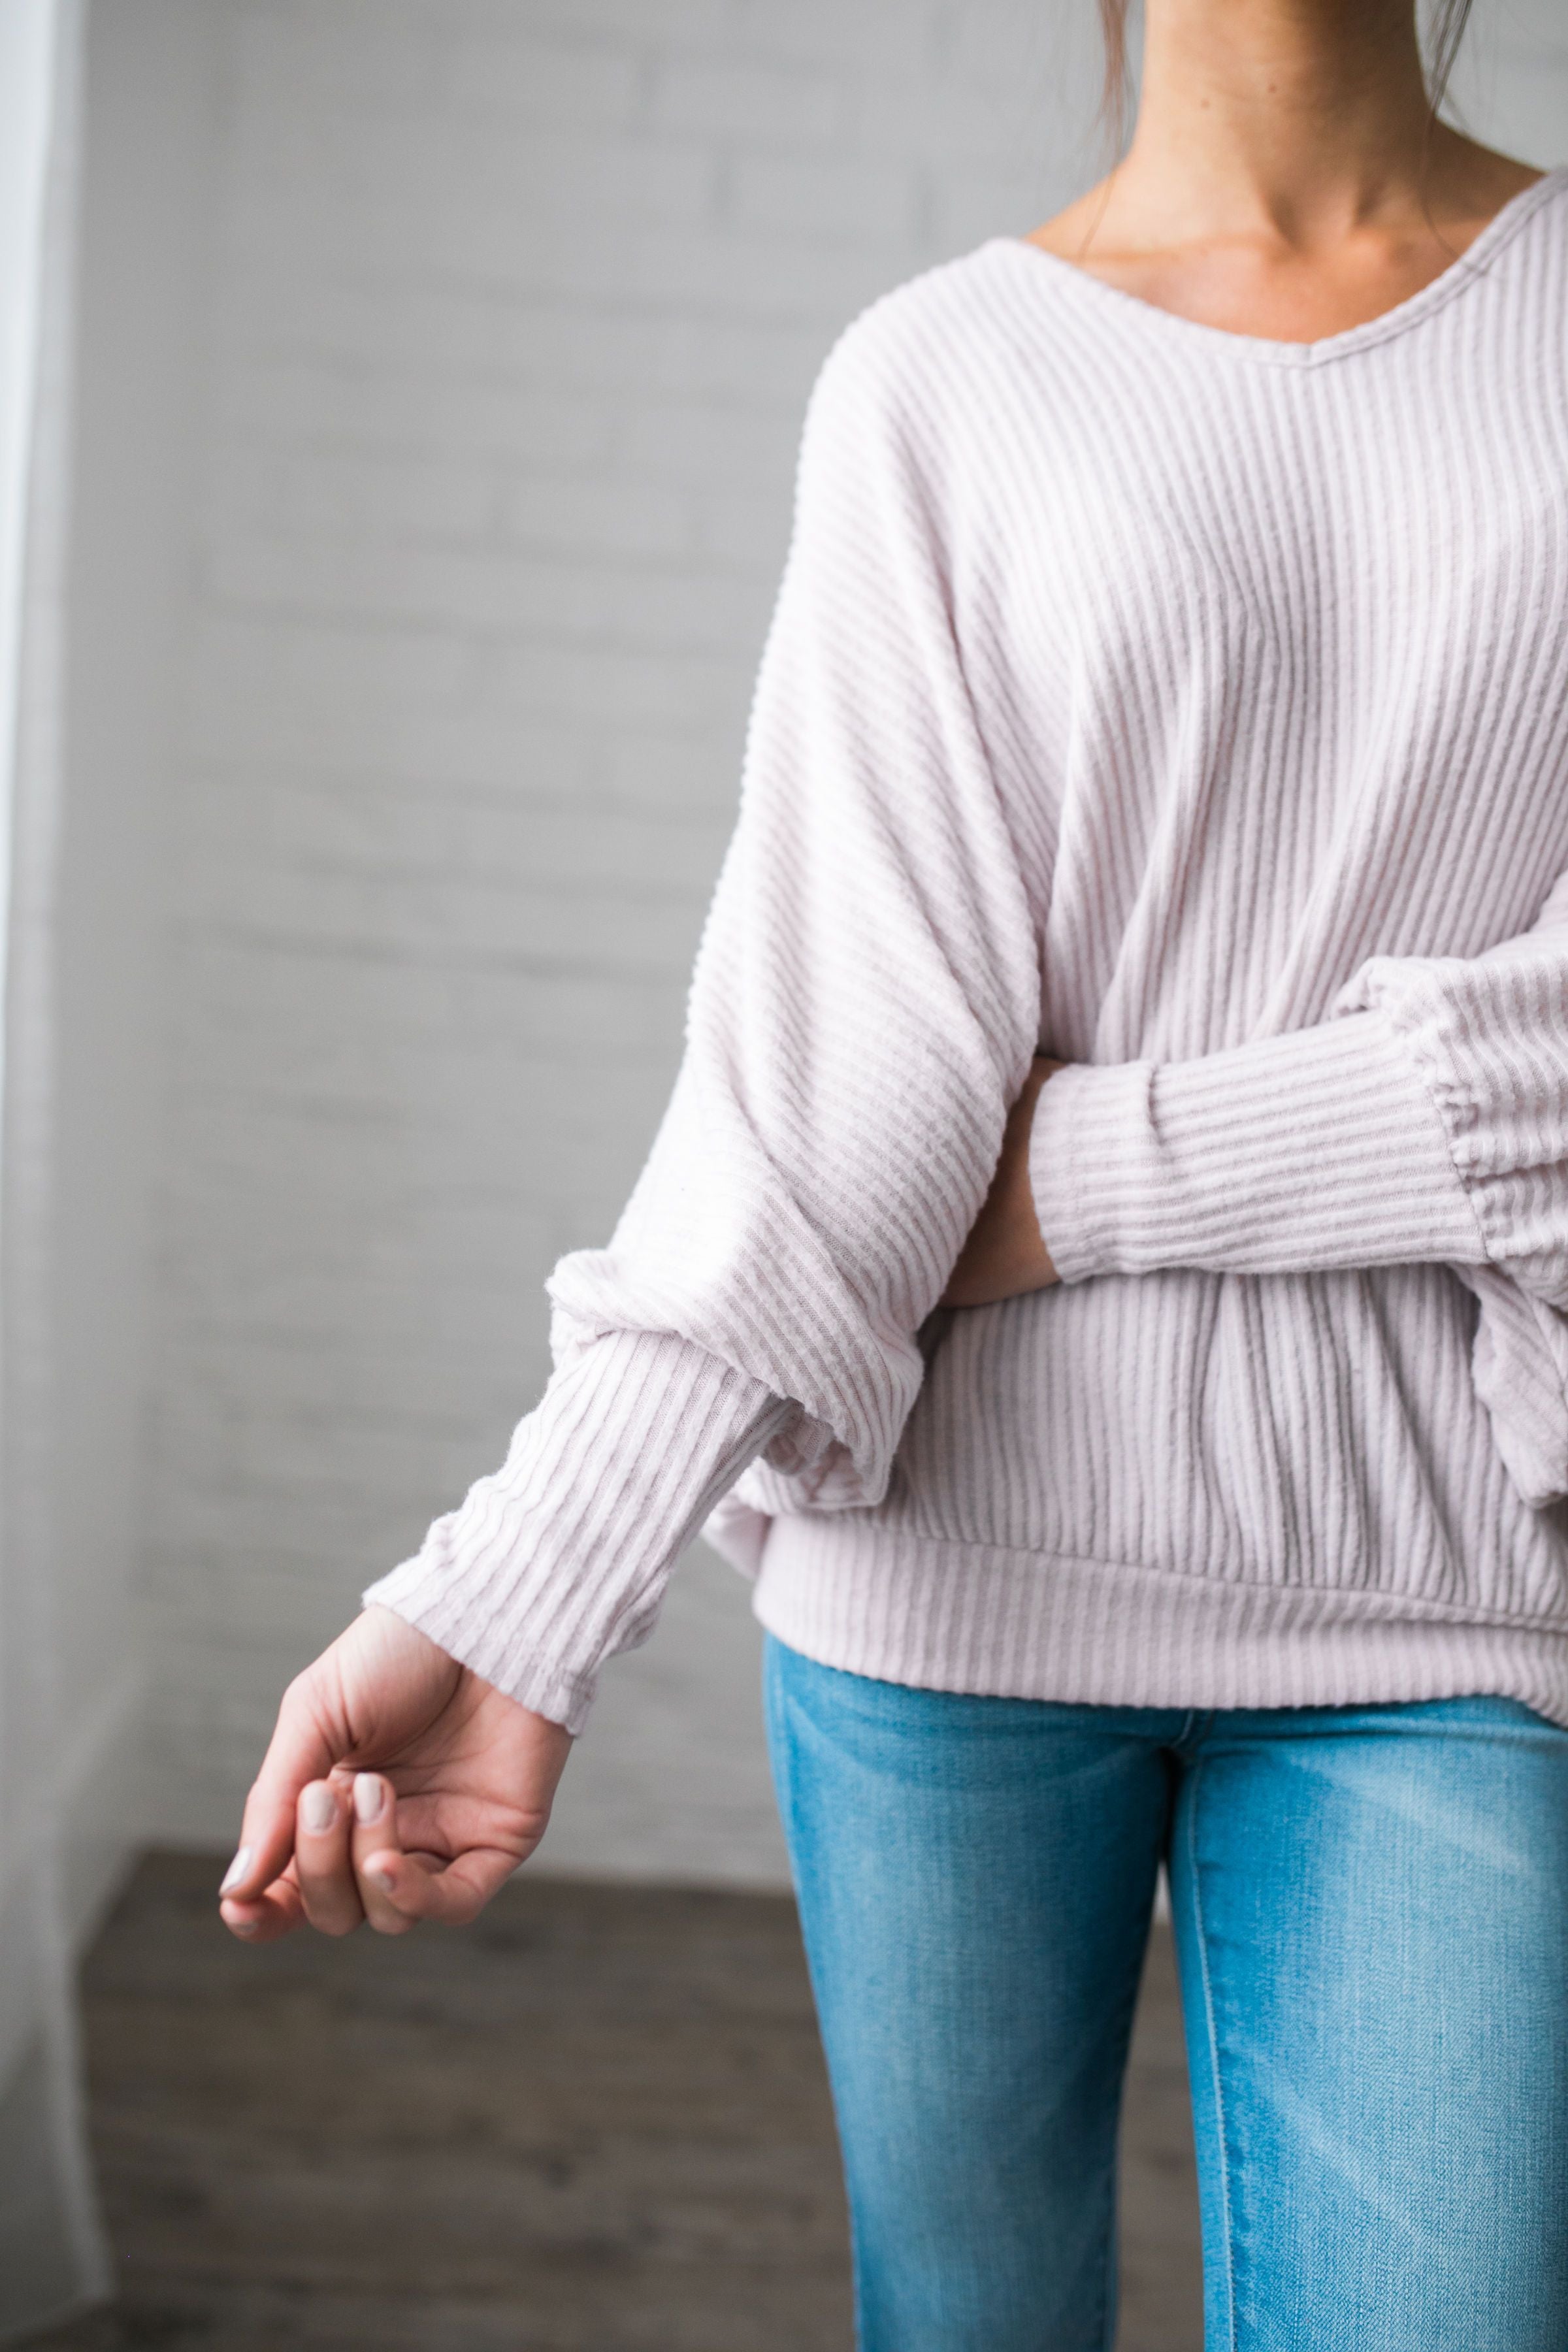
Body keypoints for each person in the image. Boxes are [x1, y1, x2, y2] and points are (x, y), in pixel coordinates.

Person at [218, 0, 1568, 2342]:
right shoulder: (943, 384)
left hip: (1446, 1600)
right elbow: (830, 1104)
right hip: (948, 1599)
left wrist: (1077, 1174)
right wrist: (514, 1600)